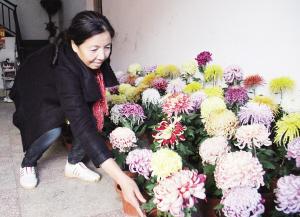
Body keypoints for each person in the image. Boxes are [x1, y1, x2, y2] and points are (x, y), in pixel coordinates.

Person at [10, 10, 145, 216]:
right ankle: (28, 163)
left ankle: (73, 164)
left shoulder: (93, 52)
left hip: (60, 78)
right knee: (51, 129)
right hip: (35, 83)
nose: (102, 55)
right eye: (94, 49)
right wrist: (121, 178)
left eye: (107, 47)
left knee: (91, 118)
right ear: (74, 44)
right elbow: (79, 123)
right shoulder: (65, 70)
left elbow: (84, 120)